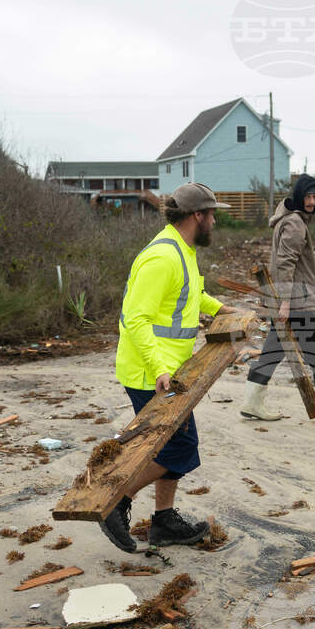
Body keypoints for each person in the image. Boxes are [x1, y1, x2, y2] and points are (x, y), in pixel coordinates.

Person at [102, 182, 240, 553]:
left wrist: (221, 310)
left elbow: (188, 296)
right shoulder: (162, 257)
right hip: (152, 373)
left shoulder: (181, 250)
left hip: (171, 369)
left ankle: (163, 521)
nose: (215, 221)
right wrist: (160, 368)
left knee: (170, 448)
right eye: (212, 214)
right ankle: (117, 500)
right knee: (180, 448)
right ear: (197, 216)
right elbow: (136, 317)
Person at [240, 173, 315, 422]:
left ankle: (252, 402)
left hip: (290, 299)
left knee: (272, 352)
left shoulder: (287, 219)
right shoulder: (295, 223)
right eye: (307, 196)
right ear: (298, 196)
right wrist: (286, 301)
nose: (311, 201)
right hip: (298, 301)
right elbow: (286, 263)